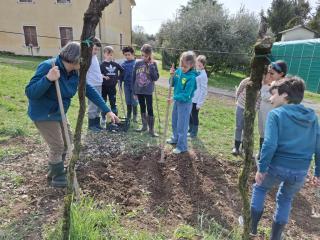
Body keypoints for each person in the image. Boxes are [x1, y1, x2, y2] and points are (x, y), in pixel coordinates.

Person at [25, 41, 119, 188]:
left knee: (68, 141)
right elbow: (30, 92)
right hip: (43, 113)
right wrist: (48, 79)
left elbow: (88, 89)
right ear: (75, 59)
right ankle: (58, 177)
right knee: (58, 146)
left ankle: (54, 170)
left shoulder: (75, 72)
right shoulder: (48, 66)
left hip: (59, 112)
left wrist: (106, 110)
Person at [250, 77, 320, 240]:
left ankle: (252, 228)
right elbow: (318, 146)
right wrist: (317, 172)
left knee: (260, 188)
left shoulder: (276, 114)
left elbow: (269, 144)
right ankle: (275, 237)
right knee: (285, 198)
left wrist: (262, 168)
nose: (270, 98)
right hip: (300, 171)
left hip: (276, 166)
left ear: (285, 95)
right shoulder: (313, 117)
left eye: (274, 94)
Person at [166, 51, 197, 154]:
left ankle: (182, 146)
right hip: (177, 101)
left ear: (191, 65)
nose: (182, 68)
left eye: (185, 66)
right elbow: (172, 83)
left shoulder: (191, 78)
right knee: (174, 121)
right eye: (181, 65)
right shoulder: (179, 71)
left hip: (185, 103)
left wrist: (174, 98)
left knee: (182, 125)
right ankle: (175, 138)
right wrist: (172, 75)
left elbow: (186, 94)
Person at [257, 61, 287, 159]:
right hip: (263, 111)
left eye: (272, 73)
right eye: (268, 72)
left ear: (281, 74)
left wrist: (265, 85)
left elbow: (267, 97)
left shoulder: (282, 85)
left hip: (270, 114)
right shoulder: (273, 82)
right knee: (261, 132)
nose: (269, 75)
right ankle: (261, 152)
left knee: (268, 134)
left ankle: (266, 156)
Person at [133, 44, 159, 136]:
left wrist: (151, 66)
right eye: (142, 55)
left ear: (150, 55)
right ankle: (144, 126)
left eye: (146, 56)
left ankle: (151, 130)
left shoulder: (154, 64)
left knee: (150, 108)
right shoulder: (137, 63)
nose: (144, 57)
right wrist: (134, 91)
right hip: (139, 90)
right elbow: (133, 78)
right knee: (142, 107)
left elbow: (155, 78)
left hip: (148, 91)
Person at [232, 78, 261, 156]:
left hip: (251, 109)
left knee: (247, 128)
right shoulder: (246, 80)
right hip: (240, 106)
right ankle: (236, 147)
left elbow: (259, 100)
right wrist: (237, 101)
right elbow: (239, 90)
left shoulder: (261, 85)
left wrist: (255, 109)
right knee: (238, 126)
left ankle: (244, 148)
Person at [100, 46, 124, 126]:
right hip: (104, 87)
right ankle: (103, 118)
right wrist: (103, 76)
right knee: (103, 102)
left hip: (112, 87)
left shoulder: (115, 64)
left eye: (111, 54)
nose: (110, 56)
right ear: (104, 54)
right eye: (108, 54)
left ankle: (115, 119)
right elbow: (98, 74)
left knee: (113, 102)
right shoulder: (102, 65)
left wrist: (118, 78)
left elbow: (122, 71)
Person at [86, 37, 105, 132]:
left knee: (98, 105)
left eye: (98, 49)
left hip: (98, 84)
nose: (96, 51)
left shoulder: (94, 57)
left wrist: (101, 76)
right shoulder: (87, 58)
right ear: (89, 47)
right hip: (92, 85)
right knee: (92, 105)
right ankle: (91, 125)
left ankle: (97, 124)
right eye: (95, 49)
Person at [188, 55, 208, 138]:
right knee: (190, 113)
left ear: (203, 65)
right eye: (197, 64)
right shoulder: (196, 72)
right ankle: (190, 129)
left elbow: (204, 91)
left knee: (194, 115)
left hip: (197, 100)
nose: (198, 66)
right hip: (191, 97)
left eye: (200, 65)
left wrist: (199, 103)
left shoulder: (203, 75)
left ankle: (194, 132)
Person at [120, 46, 138, 122]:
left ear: (133, 54)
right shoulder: (123, 65)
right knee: (128, 100)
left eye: (129, 54)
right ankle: (128, 115)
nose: (127, 56)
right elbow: (120, 76)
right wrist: (120, 85)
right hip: (126, 85)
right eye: (125, 55)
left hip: (135, 86)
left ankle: (135, 116)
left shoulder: (136, 64)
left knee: (134, 101)